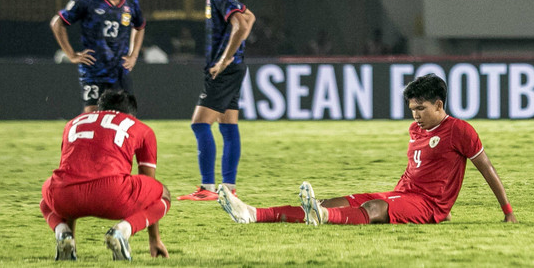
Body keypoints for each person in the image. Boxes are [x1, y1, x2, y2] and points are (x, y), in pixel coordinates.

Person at [217, 74, 517, 226]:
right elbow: (416, 169)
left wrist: (507, 211)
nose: (415, 115)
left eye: (421, 109)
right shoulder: (416, 129)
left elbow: (486, 168)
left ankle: (322, 217)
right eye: (412, 109)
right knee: (331, 200)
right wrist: (398, 192)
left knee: (373, 210)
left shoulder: (460, 131)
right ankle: (253, 213)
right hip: (405, 193)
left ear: (439, 105)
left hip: (429, 204)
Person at [39, 90, 170, 261]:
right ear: (131, 114)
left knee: (46, 200)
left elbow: (69, 174)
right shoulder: (141, 128)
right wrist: (154, 239)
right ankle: (122, 231)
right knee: (163, 193)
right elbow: (148, 181)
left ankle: (63, 233)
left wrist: (71, 235)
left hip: (65, 196)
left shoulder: (73, 123)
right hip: (112, 195)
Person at [178, 0, 256, 201]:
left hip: (224, 70)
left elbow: (240, 24)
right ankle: (228, 187)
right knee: (228, 126)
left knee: (200, 124)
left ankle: (208, 188)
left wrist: (224, 60)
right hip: (232, 68)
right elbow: (250, 18)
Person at [50, 0, 145, 113]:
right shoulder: (87, 1)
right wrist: (72, 55)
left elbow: (140, 26)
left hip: (120, 71)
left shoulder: (131, 3)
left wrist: (133, 55)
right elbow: (57, 23)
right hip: (94, 71)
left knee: (126, 118)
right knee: (92, 116)